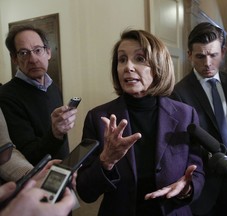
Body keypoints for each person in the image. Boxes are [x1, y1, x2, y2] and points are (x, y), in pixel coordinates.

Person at [76, 29, 205, 216]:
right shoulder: (98, 117)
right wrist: (106, 160)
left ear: (158, 66)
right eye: (122, 60)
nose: (128, 66)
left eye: (139, 59)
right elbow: (85, 192)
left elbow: (198, 172)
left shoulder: (185, 114)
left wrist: (187, 188)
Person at [170, 22, 227, 216]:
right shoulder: (177, 94)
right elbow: (182, 147)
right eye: (200, 56)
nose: (207, 63)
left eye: (213, 55)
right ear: (190, 55)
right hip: (205, 187)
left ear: (223, 52)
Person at [0, 25, 78, 166]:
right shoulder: (6, 96)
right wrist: (55, 133)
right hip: (35, 182)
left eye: (38, 50)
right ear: (14, 59)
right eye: (24, 53)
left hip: (62, 173)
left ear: (48, 52)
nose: (33, 59)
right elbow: (27, 156)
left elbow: (61, 142)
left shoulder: (53, 87)